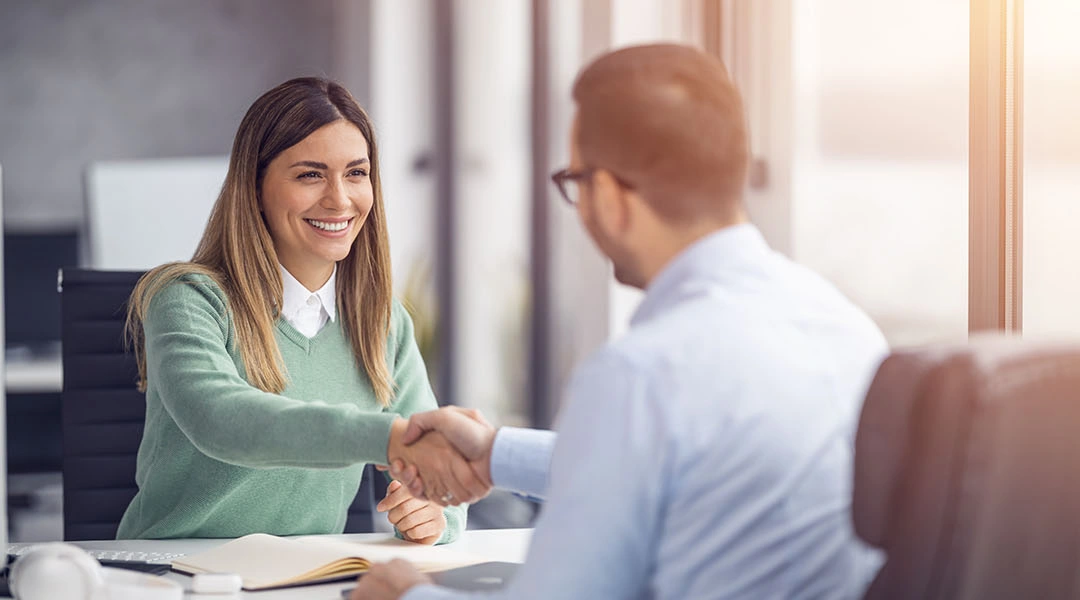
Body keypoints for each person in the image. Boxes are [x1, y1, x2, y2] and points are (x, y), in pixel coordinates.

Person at [356, 44, 890, 598]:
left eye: (576, 181)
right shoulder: (847, 327)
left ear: (609, 195)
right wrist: (496, 454)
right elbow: (667, 463)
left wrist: (404, 595)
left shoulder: (640, 375)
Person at [117, 77, 468, 545]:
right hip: (175, 576)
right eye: (310, 174)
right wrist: (389, 436)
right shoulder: (188, 299)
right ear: (255, 187)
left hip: (305, 577)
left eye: (356, 173)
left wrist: (433, 513)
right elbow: (223, 422)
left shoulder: (382, 322)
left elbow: (441, 487)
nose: (339, 199)